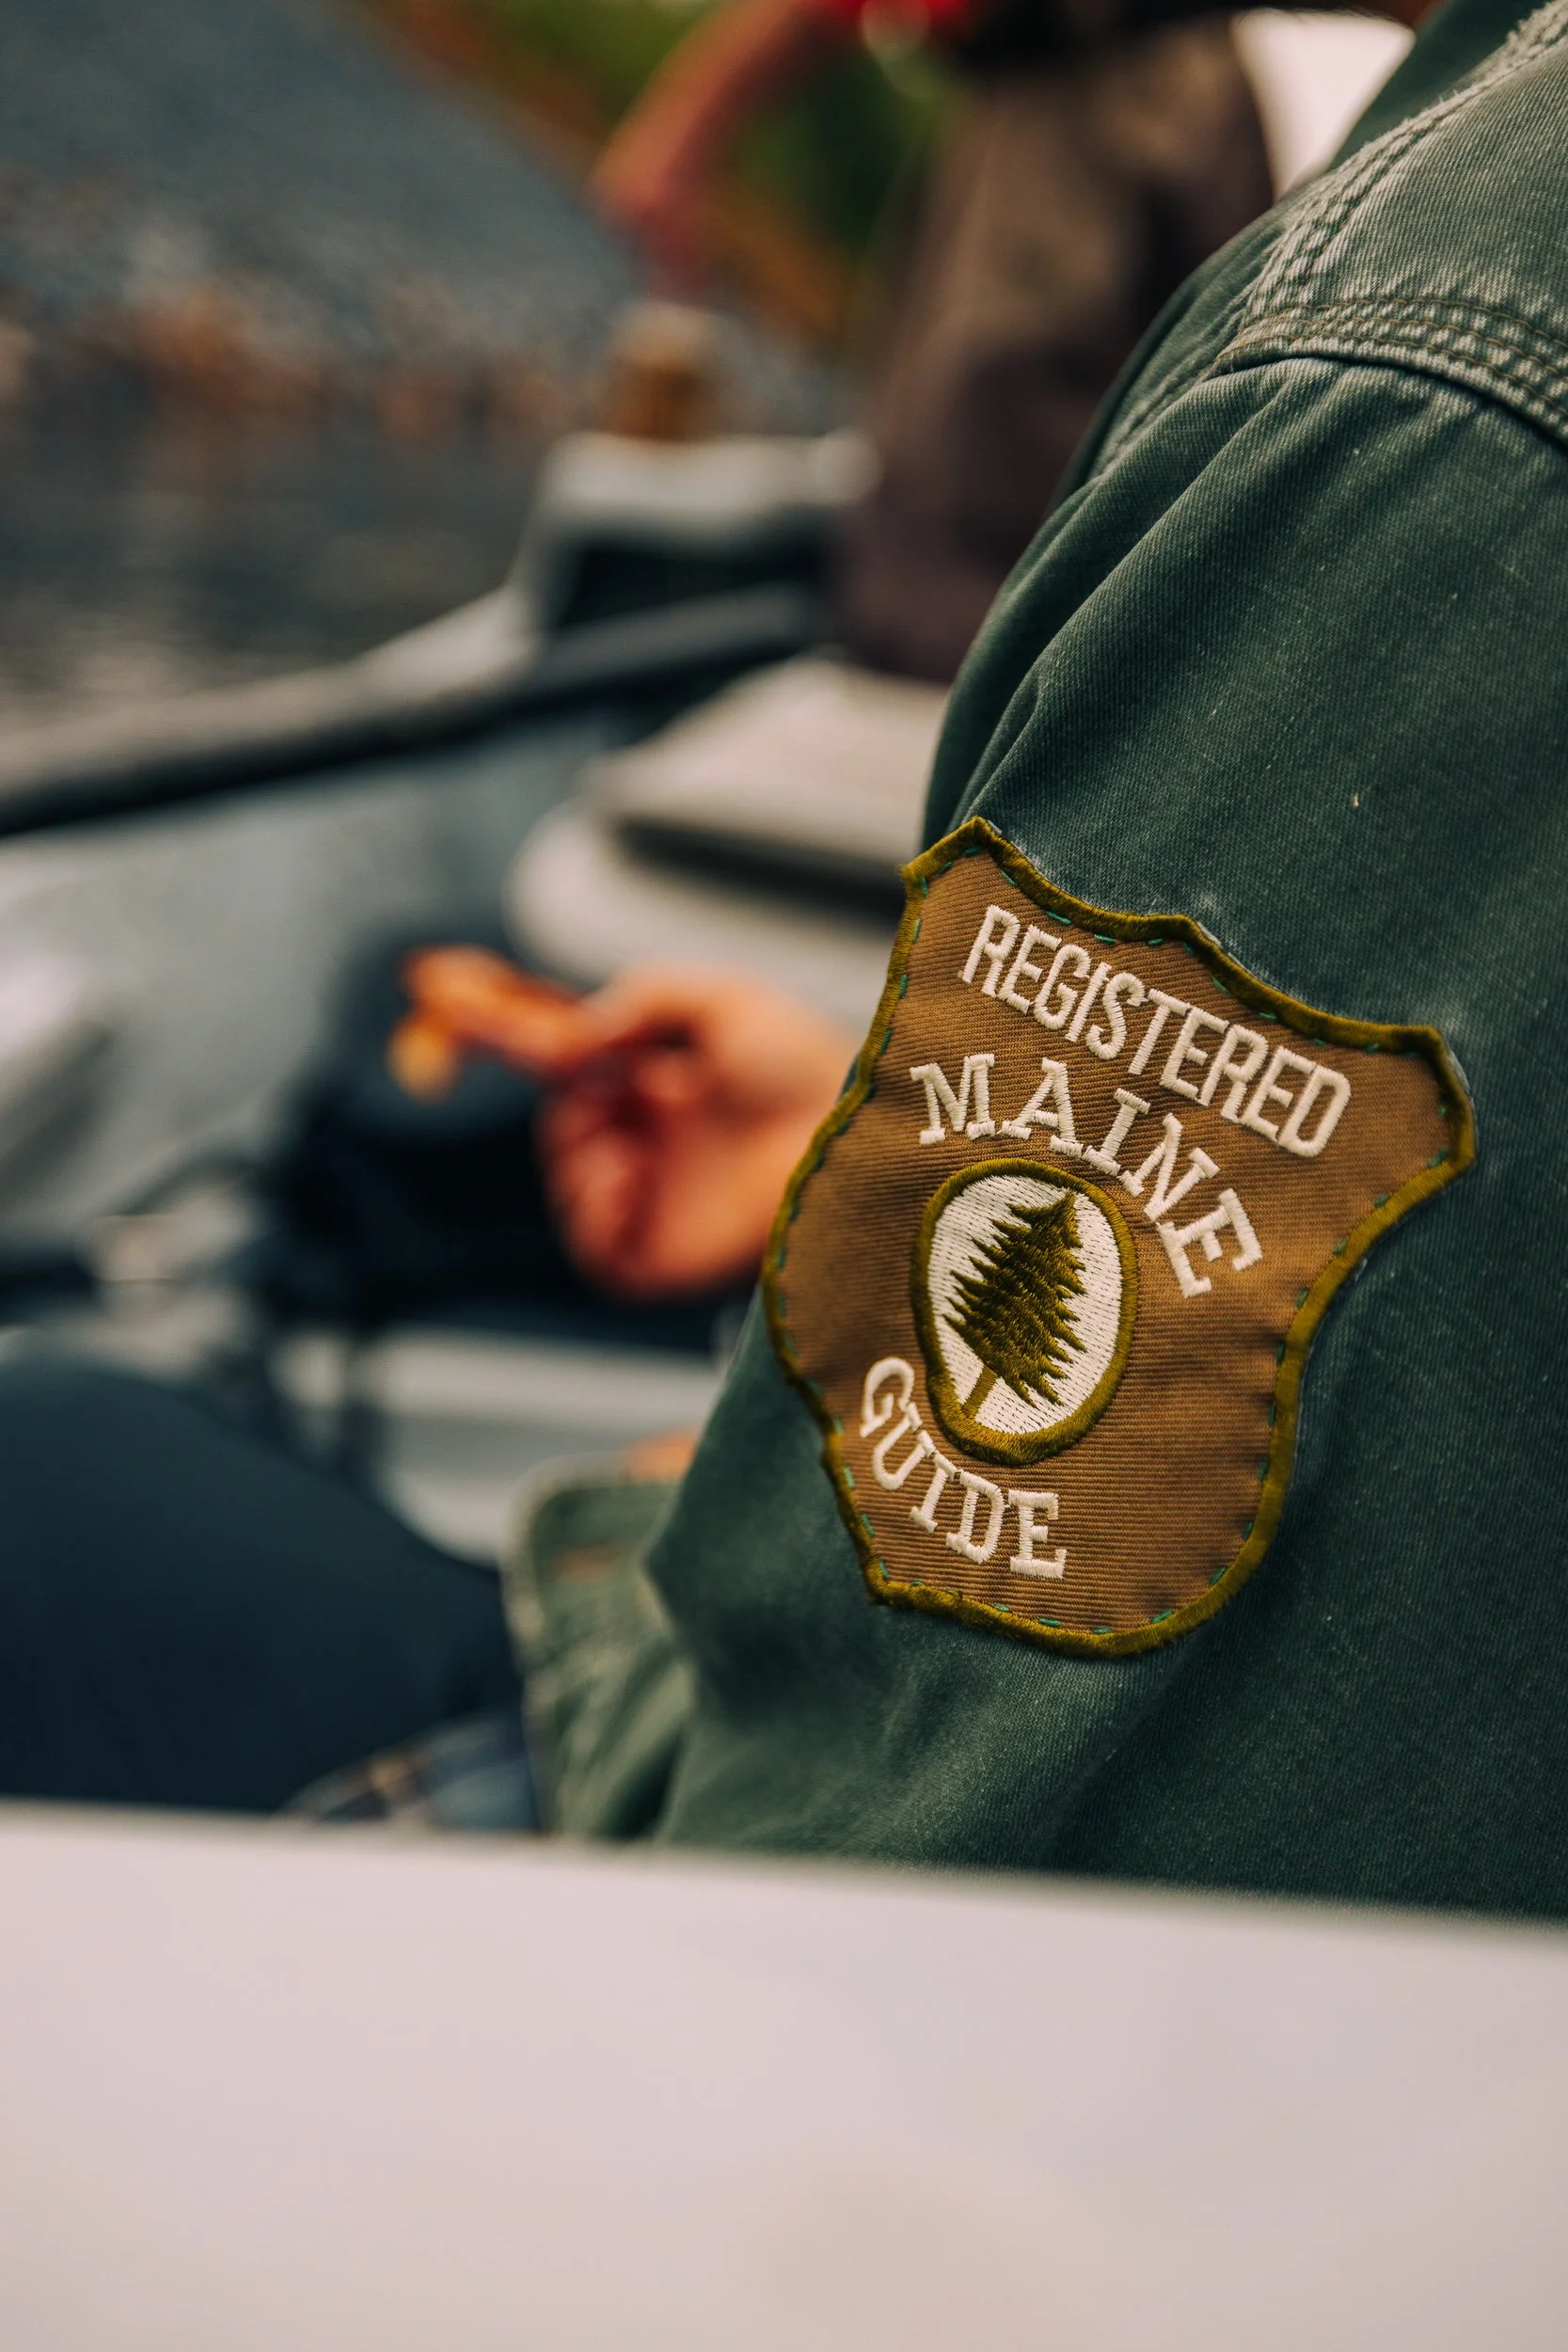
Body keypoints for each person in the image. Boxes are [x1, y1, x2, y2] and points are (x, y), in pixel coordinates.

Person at [8, 0, 1568, 1924]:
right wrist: (858, 1156)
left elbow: (876, 1861)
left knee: (36, 1470)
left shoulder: (1436, 379)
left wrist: (669, 1488)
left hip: (854, 2039)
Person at [595, 0, 1273, 679]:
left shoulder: (1098, 116)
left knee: (965, 537)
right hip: (1119, 91)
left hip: (1100, 114)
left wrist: (683, 131)